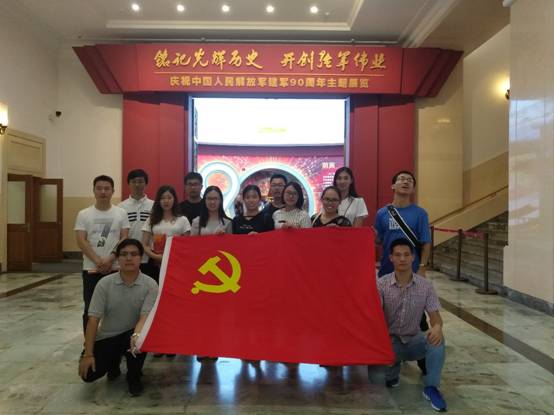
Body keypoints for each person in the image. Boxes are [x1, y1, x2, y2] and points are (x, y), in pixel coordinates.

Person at [78, 239, 158, 397]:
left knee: (140, 338)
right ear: (118, 258)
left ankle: (134, 376)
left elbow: (144, 317)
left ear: (141, 258)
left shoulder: (150, 285)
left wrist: (137, 336)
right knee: (88, 375)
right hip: (108, 336)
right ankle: (113, 364)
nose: (129, 258)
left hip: (132, 334)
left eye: (134, 254)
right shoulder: (104, 283)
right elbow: (93, 320)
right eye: (124, 254)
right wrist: (88, 354)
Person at [376, 238, 446, 412]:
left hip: (413, 341)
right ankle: (392, 372)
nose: (402, 259)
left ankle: (431, 388)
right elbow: (374, 317)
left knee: (437, 340)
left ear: (413, 257)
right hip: (389, 344)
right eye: (398, 255)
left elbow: (435, 319)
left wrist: (437, 327)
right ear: (391, 258)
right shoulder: (381, 285)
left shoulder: (425, 286)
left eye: (406, 255)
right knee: (381, 379)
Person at [75, 175, 130, 333]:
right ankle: (89, 343)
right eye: (99, 188)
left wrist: (111, 258)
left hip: (116, 268)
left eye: (107, 188)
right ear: (93, 190)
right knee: (91, 308)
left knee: (118, 308)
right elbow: (81, 240)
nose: (103, 192)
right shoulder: (84, 214)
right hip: (91, 269)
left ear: (113, 191)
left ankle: (115, 342)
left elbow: (124, 238)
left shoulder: (121, 213)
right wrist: (98, 261)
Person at [374, 170, 431, 278]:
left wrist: (422, 268)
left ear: (413, 189)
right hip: (387, 269)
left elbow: (426, 243)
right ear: (393, 186)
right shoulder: (381, 213)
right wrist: (371, 235)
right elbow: (378, 241)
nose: (406, 182)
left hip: (412, 270)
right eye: (402, 179)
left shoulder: (421, 214)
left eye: (410, 180)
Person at [142, 185, 190, 283]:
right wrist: (156, 257)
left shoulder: (183, 220)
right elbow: (144, 244)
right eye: (162, 198)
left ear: (174, 199)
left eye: (169, 197)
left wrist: (173, 257)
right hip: (155, 262)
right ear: (158, 201)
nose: (166, 201)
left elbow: (187, 244)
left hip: (177, 262)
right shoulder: (151, 219)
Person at [119, 169, 153, 271]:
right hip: (129, 255)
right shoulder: (121, 207)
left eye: (140, 181)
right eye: (133, 182)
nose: (137, 185)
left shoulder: (154, 205)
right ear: (129, 184)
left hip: (150, 255)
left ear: (146, 183)